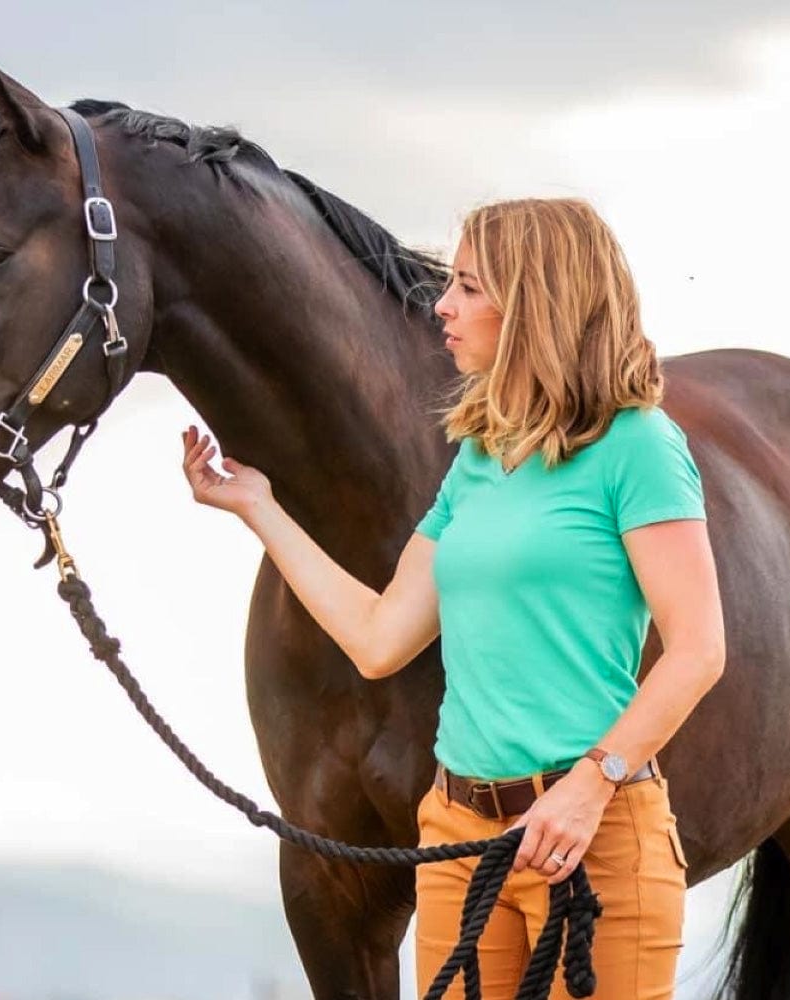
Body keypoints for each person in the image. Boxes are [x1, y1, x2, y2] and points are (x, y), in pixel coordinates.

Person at [179, 197, 726, 1000]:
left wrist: (591, 786)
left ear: (535, 300)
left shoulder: (636, 446)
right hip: (459, 838)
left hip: (591, 838)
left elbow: (699, 648)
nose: (442, 304)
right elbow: (377, 636)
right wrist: (259, 507)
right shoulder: (478, 458)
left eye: (469, 287)